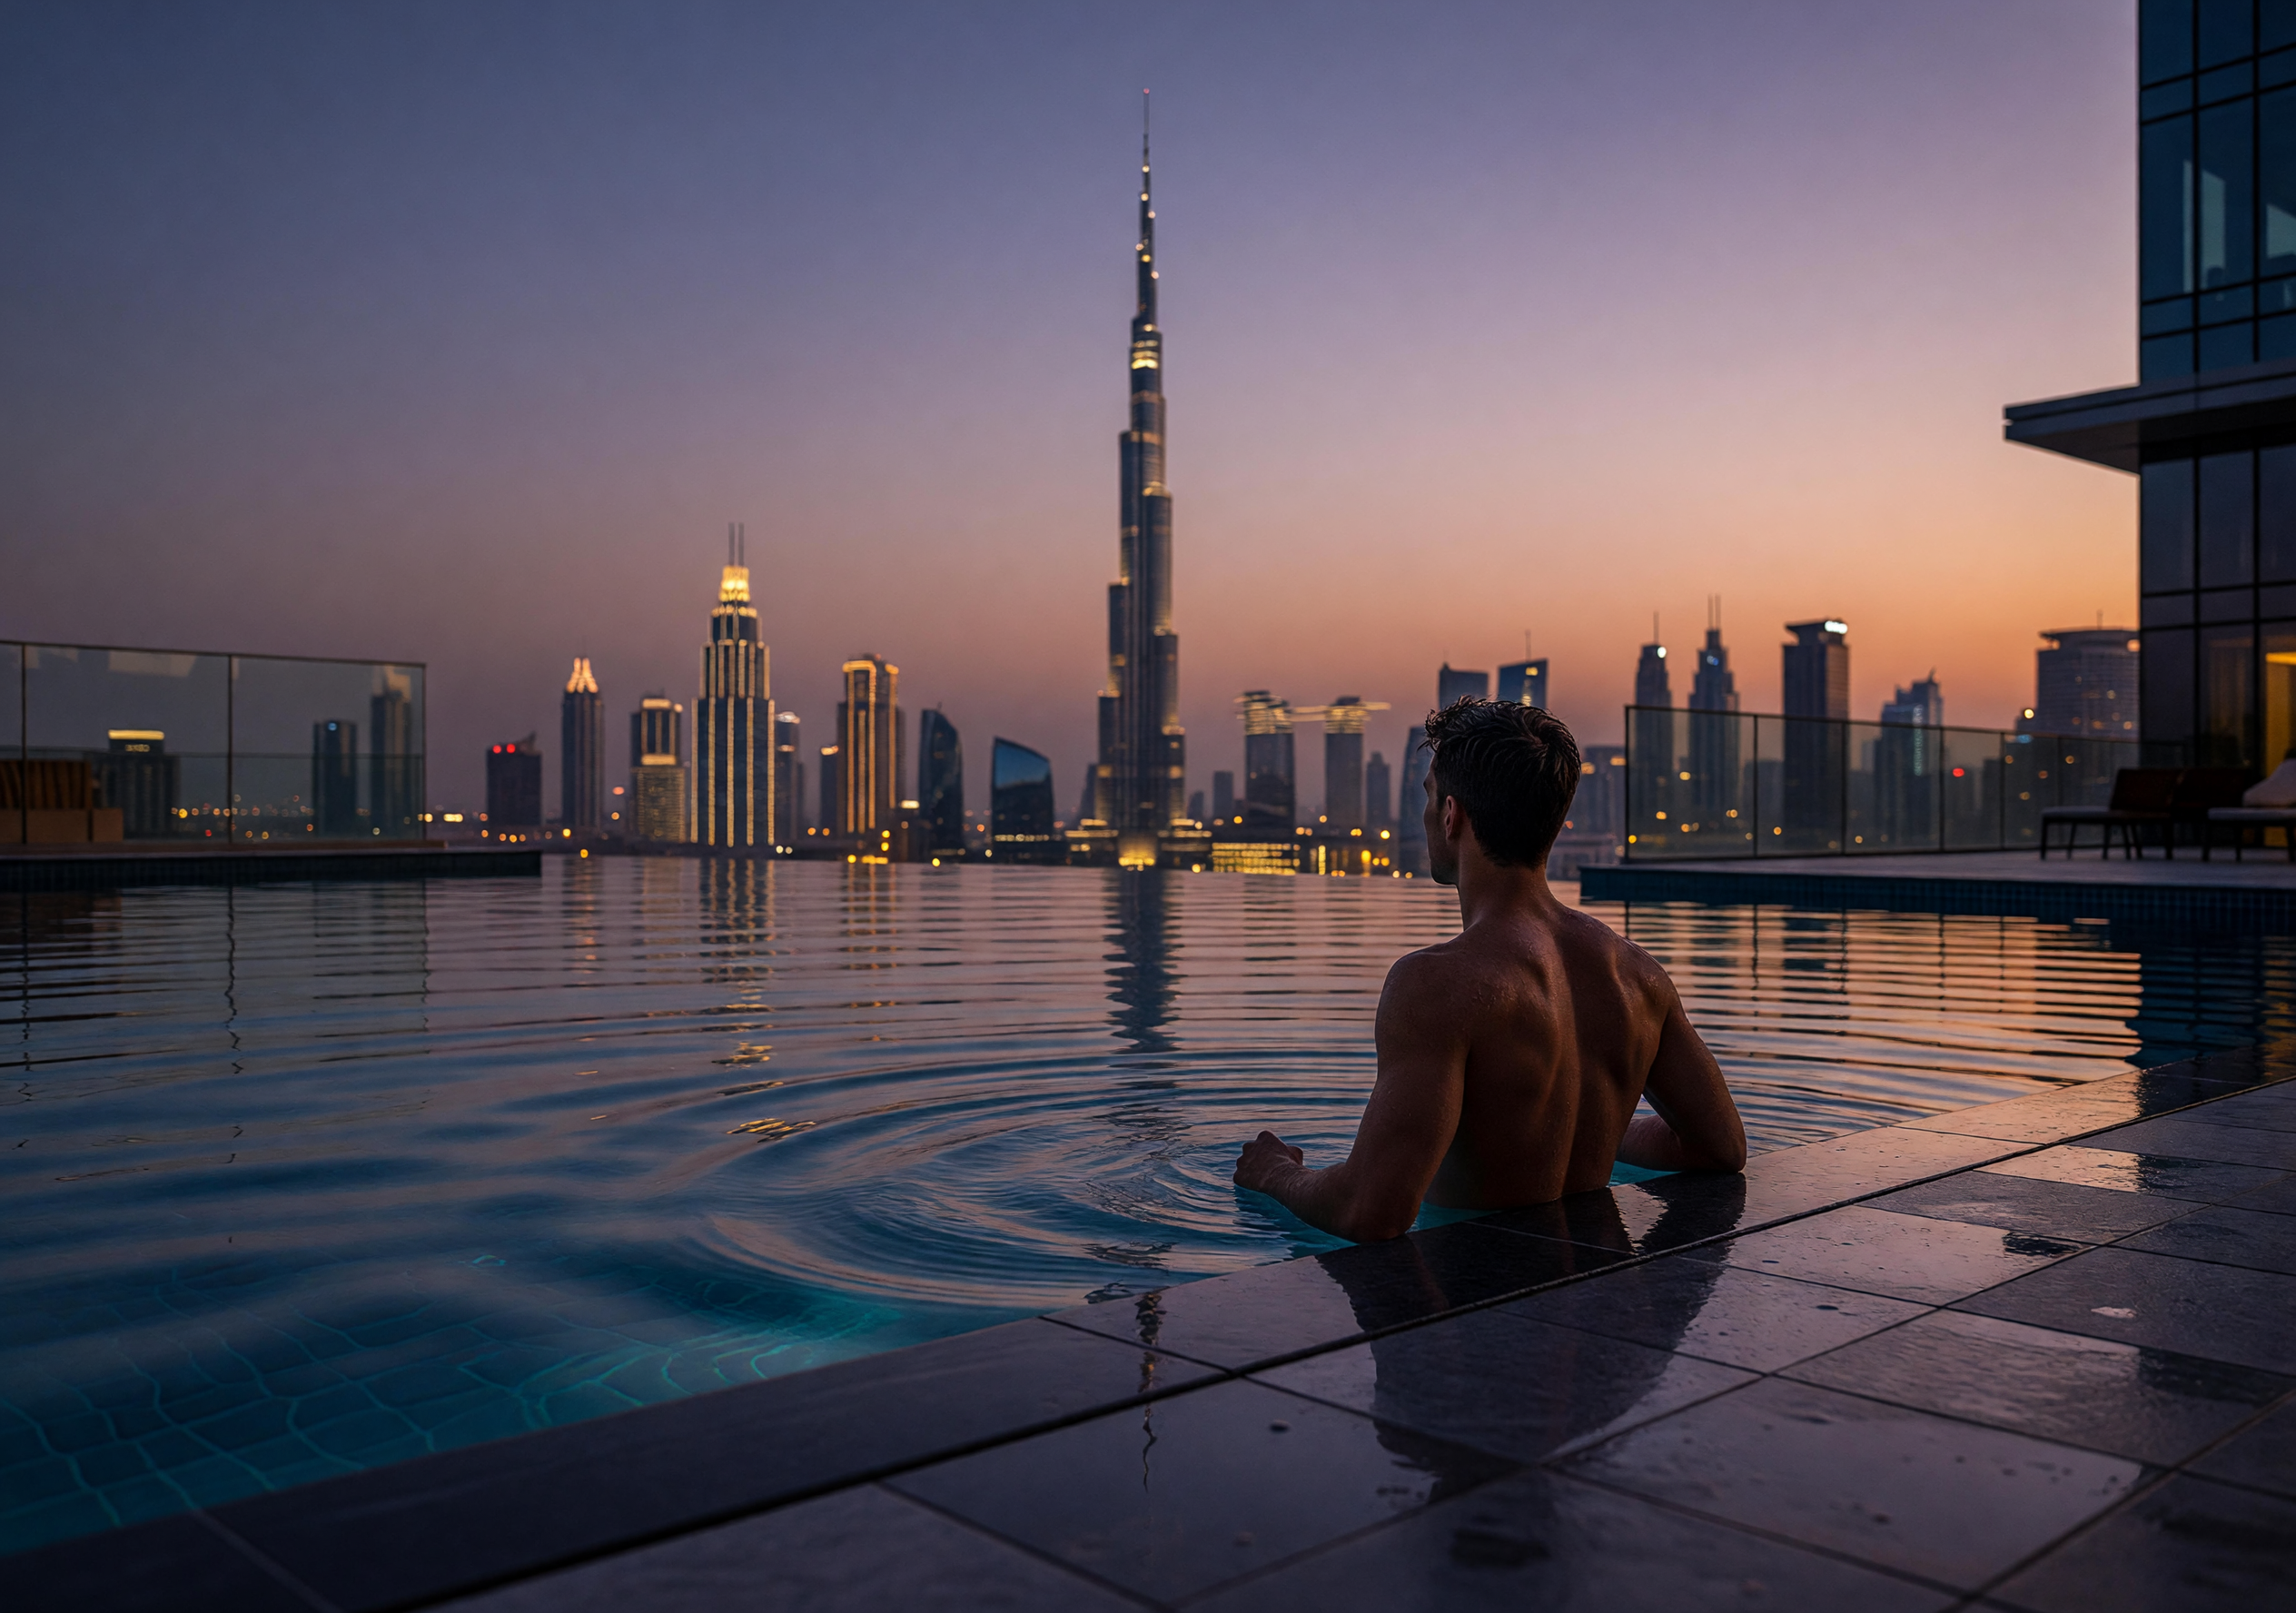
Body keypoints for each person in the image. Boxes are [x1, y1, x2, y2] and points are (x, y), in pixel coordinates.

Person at [1232, 698, 1745, 1242]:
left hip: (1478, 1310)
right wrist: (1599, 1122)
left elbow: (1370, 1210)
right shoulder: (1637, 976)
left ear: (1452, 815)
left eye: (1429, 797)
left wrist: (1278, 1174)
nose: (1427, 813)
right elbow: (1721, 1147)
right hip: (1609, 1304)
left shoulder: (1437, 986)